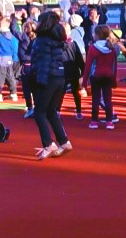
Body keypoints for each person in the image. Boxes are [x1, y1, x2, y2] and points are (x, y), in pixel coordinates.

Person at [30, 10, 72, 159]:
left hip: (47, 77)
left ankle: (48, 143)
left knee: (39, 112)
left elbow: (42, 63)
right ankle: (63, 140)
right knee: (51, 111)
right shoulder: (58, 39)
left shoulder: (41, 40)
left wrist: (37, 81)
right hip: (59, 76)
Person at [83, 25, 120, 129]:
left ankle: (94, 121)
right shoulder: (111, 48)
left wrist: (84, 82)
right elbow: (114, 66)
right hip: (108, 76)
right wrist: (114, 80)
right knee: (108, 99)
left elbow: (88, 66)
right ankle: (109, 121)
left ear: (98, 35)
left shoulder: (93, 48)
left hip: (96, 76)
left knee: (96, 99)